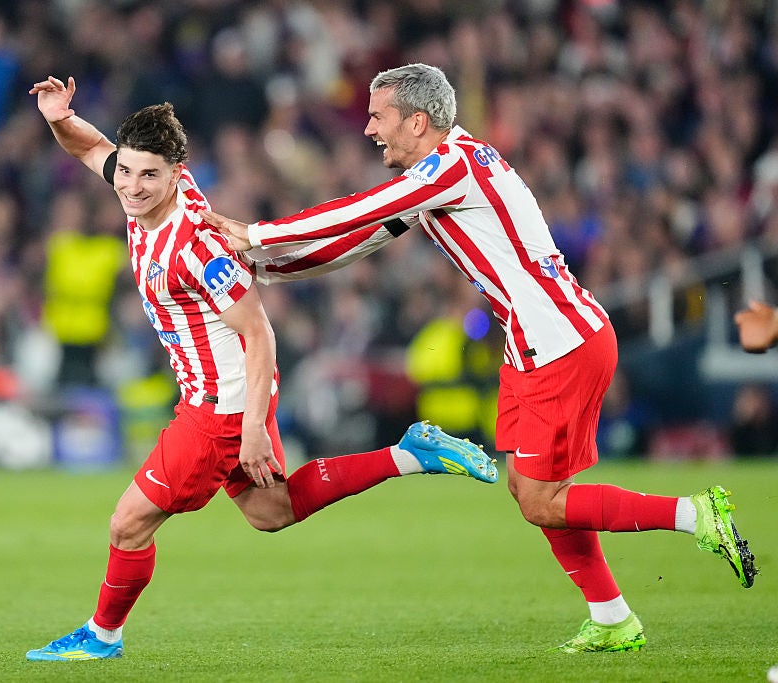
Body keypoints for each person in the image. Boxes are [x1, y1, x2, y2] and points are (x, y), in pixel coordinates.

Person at [201, 63, 758, 653]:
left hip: (559, 342)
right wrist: (261, 269)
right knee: (531, 490)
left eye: (377, 116)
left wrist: (258, 235)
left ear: (417, 121)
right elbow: (357, 240)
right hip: (538, 342)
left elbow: (361, 208)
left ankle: (696, 515)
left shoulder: (450, 166)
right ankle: (613, 617)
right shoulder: (440, 171)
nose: (367, 130)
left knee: (543, 499)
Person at [24, 75, 499, 662]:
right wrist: (57, 118)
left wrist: (249, 426)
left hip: (218, 410)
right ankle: (411, 454)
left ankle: (102, 636)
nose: (132, 186)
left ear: (177, 174)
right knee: (270, 512)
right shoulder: (137, 195)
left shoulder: (194, 245)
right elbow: (93, 148)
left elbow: (259, 333)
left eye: (149, 176)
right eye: (127, 173)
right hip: (222, 400)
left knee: (127, 525)